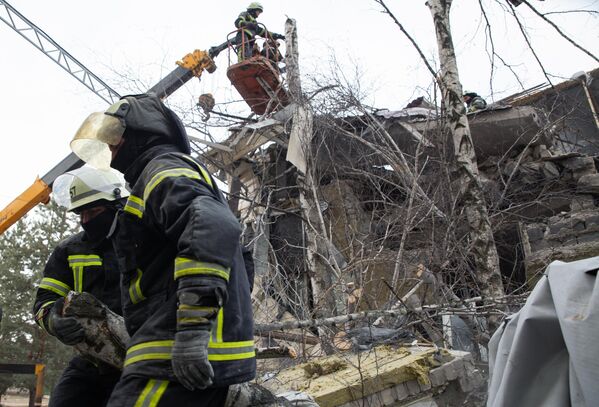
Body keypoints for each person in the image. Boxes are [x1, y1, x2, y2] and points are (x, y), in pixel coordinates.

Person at [70, 93, 255, 406]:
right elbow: (239, 259)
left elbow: (212, 225)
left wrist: (194, 329)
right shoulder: (154, 178)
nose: (111, 149)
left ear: (144, 132)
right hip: (171, 353)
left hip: (172, 355)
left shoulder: (163, 168)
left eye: (115, 137)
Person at [32, 167, 129, 407]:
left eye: (93, 211)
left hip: (138, 362)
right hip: (91, 361)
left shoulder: (142, 243)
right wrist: (54, 322)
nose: (86, 221)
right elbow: (43, 301)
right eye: (80, 214)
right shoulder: (69, 250)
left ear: (118, 206)